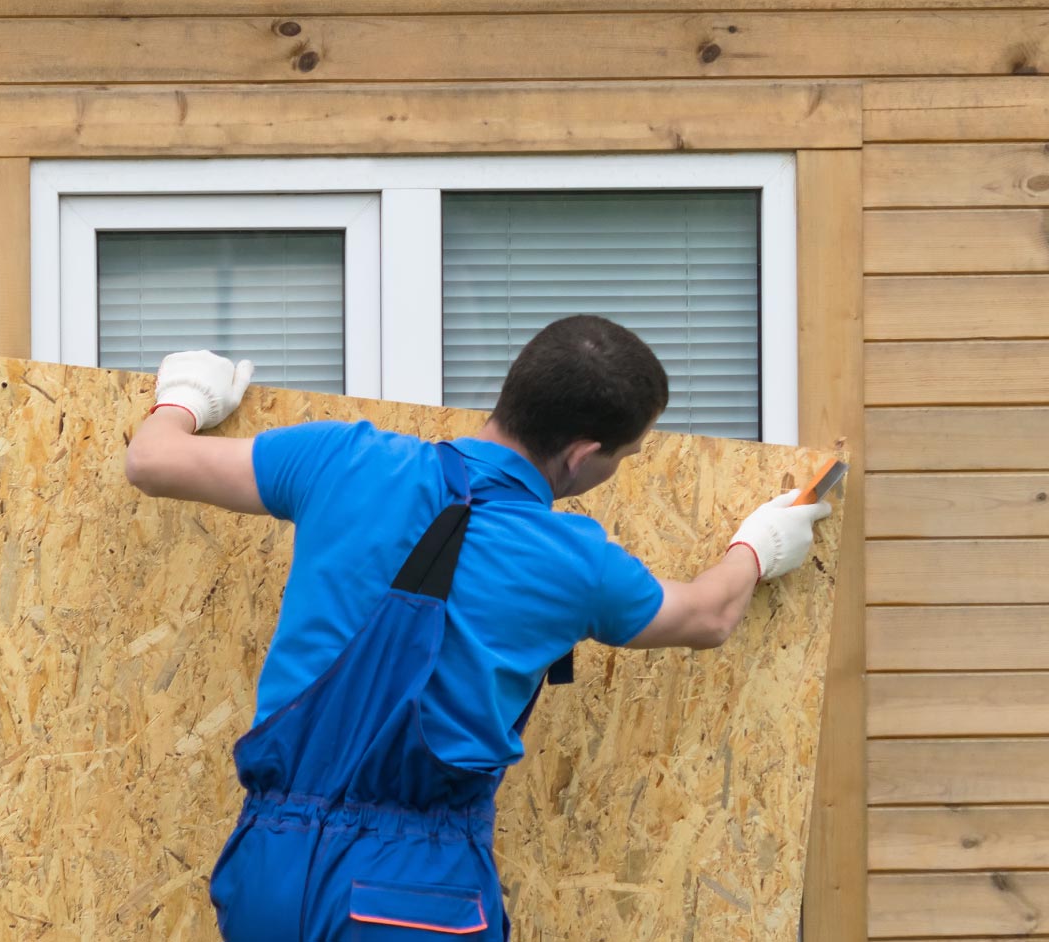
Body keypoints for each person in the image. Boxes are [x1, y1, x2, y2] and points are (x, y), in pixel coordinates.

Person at [125, 315, 832, 941]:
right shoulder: (576, 561)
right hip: (414, 893)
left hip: (268, 877)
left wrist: (186, 397)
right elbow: (706, 615)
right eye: (623, 456)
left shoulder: (341, 459)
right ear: (585, 455)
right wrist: (760, 546)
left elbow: (153, 460)